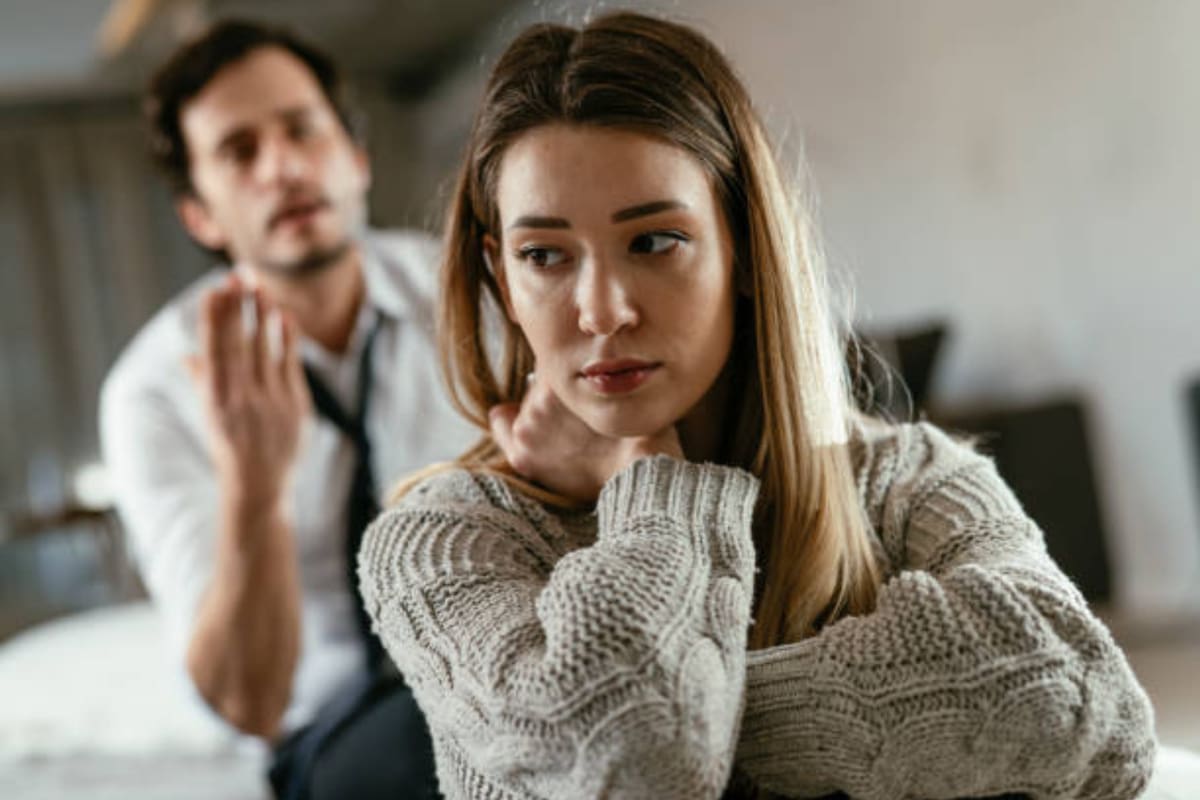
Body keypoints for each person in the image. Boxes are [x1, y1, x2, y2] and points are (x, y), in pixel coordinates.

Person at [357, 11, 1157, 800]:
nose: (601, 310)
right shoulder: (440, 540)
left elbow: (1093, 713)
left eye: (654, 241)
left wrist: (710, 704)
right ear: (502, 278)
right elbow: (630, 770)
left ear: (742, 244)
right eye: (544, 256)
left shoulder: (911, 481)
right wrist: (659, 488)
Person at [99, 19, 474, 800]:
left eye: (303, 130)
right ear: (199, 215)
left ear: (355, 155)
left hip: (503, 666)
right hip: (331, 731)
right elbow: (250, 701)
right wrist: (255, 486)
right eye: (239, 152)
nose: (284, 167)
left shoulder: (477, 297)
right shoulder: (152, 395)